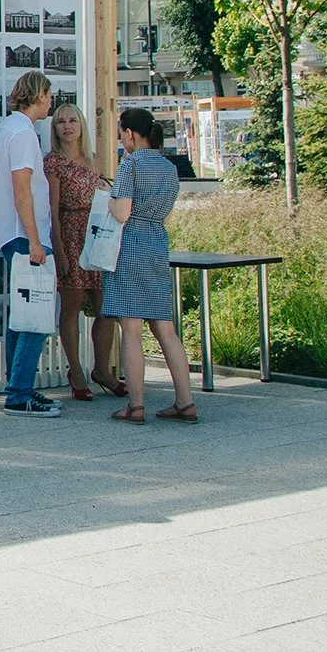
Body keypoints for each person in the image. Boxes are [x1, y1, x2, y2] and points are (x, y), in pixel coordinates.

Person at [106, 107, 198, 424]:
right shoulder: (169, 168)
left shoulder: (129, 164)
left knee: (131, 330)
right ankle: (185, 402)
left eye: (121, 132)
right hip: (157, 242)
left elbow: (121, 213)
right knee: (165, 329)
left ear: (130, 134)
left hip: (130, 245)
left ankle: (136, 405)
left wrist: (106, 199)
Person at [0, 70, 60, 417]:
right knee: (36, 314)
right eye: (49, 95)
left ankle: (18, 387)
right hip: (23, 234)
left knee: (21, 313)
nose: (51, 102)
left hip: (10, 232)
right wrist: (35, 240)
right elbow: (22, 190)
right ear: (39, 95)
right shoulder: (23, 134)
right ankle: (19, 393)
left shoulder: (7, 129)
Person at [46, 100, 122, 400]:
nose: (67, 126)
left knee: (107, 308)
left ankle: (101, 369)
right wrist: (60, 249)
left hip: (97, 237)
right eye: (61, 122)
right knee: (72, 306)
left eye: (72, 121)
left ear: (81, 126)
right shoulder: (53, 162)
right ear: (55, 129)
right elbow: (51, 209)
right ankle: (76, 372)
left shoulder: (92, 159)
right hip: (70, 232)